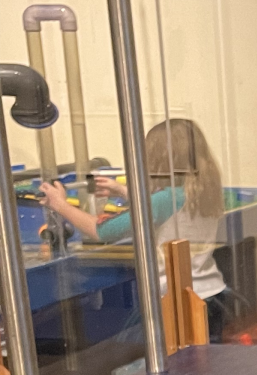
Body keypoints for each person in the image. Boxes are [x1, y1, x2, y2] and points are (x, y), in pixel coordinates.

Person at [43, 117, 234, 341]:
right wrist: (124, 192)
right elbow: (166, 213)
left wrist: (61, 205)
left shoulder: (164, 200)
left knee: (124, 348)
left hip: (174, 302)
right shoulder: (204, 192)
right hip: (212, 294)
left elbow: (102, 231)